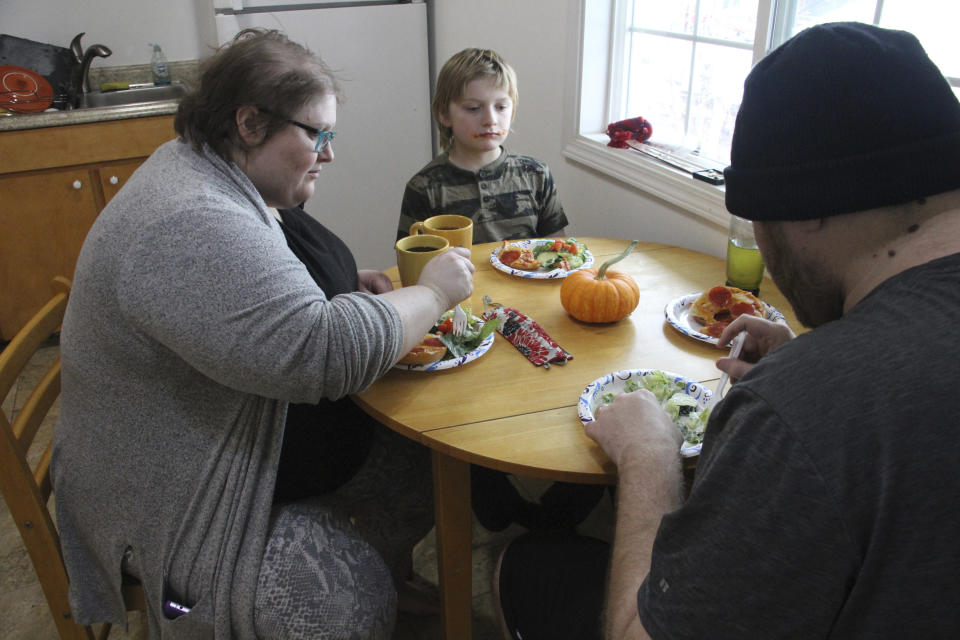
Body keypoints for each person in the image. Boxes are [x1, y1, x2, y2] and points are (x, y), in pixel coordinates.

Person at [494, 21, 960, 639]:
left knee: (527, 565)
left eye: (754, 215)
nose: (760, 242)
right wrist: (816, 364)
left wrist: (648, 456)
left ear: (810, 206)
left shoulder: (801, 409)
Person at [51, 29, 475, 640]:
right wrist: (433, 294)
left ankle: (382, 568)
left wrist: (330, 289)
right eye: (317, 135)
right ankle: (352, 588)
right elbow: (321, 354)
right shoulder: (190, 218)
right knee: (340, 608)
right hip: (172, 497)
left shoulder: (206, 171)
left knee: (417, 462)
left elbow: (248, 291)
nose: (328, 154)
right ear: (250, 123)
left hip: (217, 444)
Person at [396, 47, 569, 243]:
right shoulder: (424, 187)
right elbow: (414, 263)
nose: (490, 119)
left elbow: (558, 249)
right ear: (444, 114)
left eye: (501, 107)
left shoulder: (537, 174)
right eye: (474, 108)